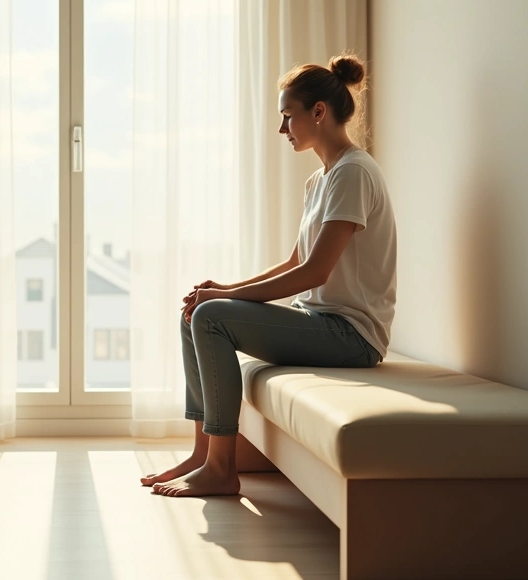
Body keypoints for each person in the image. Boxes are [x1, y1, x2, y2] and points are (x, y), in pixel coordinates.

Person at [142, 53, 397, 498]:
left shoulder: (353, 172)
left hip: (352, 336)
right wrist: (223, 289)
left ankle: (222, 468)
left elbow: (314, 271)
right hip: (320, 322)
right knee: (196, 312)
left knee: (210, 317)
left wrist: (222, 301)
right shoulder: (320, 180)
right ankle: (203, 455)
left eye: (287, 116)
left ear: (318, 112)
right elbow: (296, 260)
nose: (282, 129)